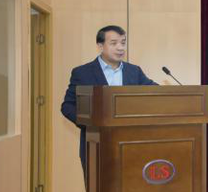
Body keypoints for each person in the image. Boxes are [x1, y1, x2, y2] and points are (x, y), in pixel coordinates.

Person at [61, 25, 156, 175]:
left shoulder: (134, 71)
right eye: (114, 43)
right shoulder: (82, 73)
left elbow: (155, 93)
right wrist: (90, 123)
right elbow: (67, 106)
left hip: (130, 145)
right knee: (98, 188)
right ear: (100, 46)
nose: (120, 47)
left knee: (131, 186)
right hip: (96, 144)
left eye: (123, 42)